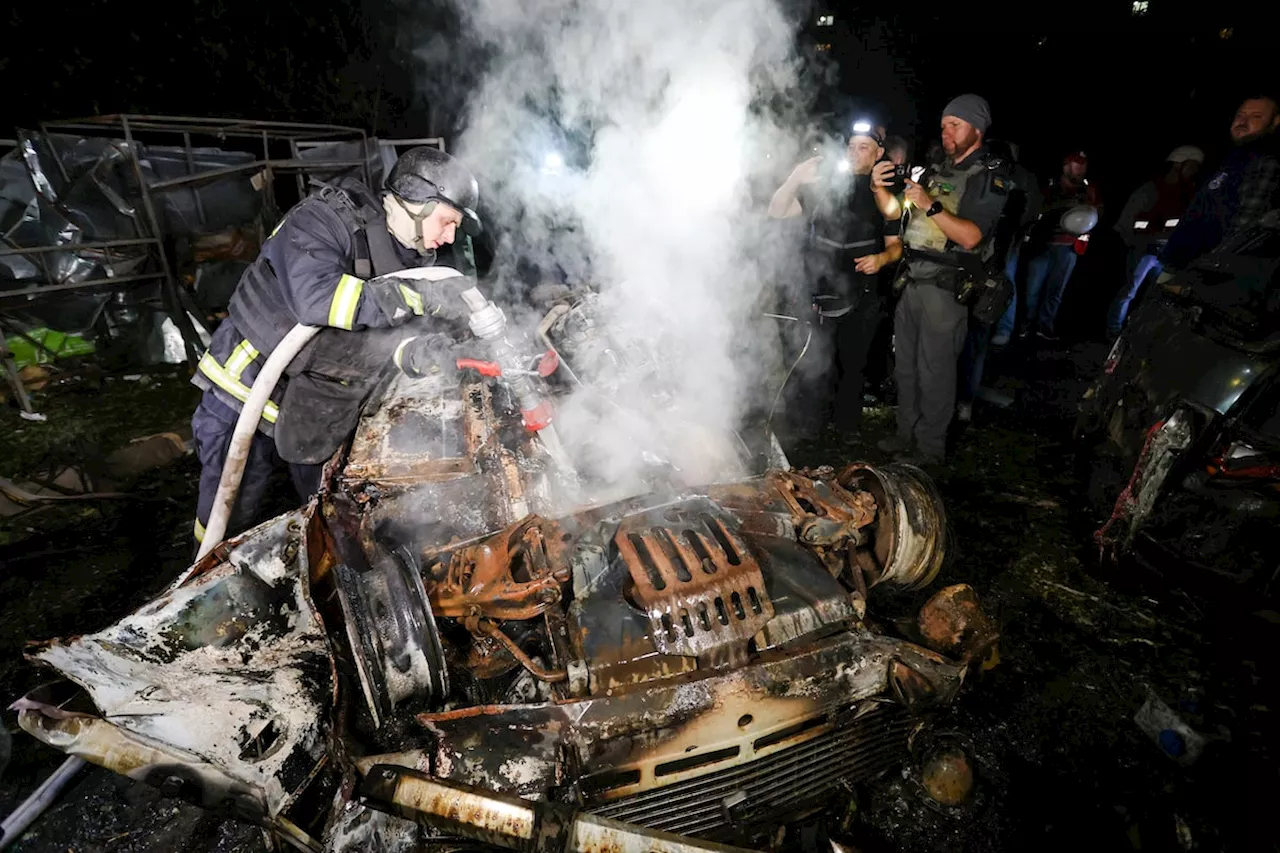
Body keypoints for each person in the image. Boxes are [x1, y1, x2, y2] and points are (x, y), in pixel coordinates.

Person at [191, 147, 482, 546]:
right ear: (417, 200)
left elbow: (384, 342)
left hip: (319, 405)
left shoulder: (410, 260)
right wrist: (411, 297)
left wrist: (423, 352)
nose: (450, 237)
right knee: (230, 513)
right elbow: (317, 300)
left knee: (327, 515)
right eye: (447, 221)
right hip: (246, 389)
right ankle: (204, 584)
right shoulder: (323, 219)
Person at [876, 94, 1010, 464]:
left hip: (947, 284)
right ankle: (906, 436)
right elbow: (900, 214)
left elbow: (970, 237)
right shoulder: (937, 167)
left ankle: (929, 449)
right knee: (905, 365)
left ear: (977, 128)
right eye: (943, 126)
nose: (946, 132)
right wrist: (881, 187)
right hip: (913, 277)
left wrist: (929, 204)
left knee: (936, 371)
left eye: (955, 125)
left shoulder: (989, 176)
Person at [768, 122, 903, 442]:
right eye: (851, 146)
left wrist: (880, 260)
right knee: (815, 362)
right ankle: (809, 423)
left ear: (879, 153)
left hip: (863, 292)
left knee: (853, 363)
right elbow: (776, 212)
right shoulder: (826, 187)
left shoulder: (883, 191)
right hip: (821, 291)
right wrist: (794, 179)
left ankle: (847, 425)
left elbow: (896, 246)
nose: (855, 153)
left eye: (864, 148)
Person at [957, 139, 1041, 421]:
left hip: (981, 276)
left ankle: (962, 400)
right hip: (987, 275)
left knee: (971, 340)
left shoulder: (995, 191)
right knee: (972, 341)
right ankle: (962, 401)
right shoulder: (1012, 193)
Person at [1159, 94, 1280, 275]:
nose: (1243, 121)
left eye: (1256, 117)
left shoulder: (1265, 162)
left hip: (1203, 276)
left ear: (1274, 122)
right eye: (1240, 115)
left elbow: (1246, 227)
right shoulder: (1231, 162)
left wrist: (1211, 267)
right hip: (1176, 265)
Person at [1105, 145, 1204, 339]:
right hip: (1145, 251)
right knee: (1129, 292)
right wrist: (1137, 242)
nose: (1194, 171)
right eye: (1192, 166)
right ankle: (1114, 332)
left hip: (1170, 254)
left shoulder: (1190, 192)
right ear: (1178, 165)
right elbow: (1127, 222)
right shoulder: (1151, 189)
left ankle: (1141, 332)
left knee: (1159, 296)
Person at [1021, 151, 1101, 340]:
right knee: (1032, 289)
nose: (1080, 169)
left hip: (1069, 248)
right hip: (1044, 244)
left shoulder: (1089, 189)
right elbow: (1034, 209)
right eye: (1076, 164)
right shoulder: (1051, 186)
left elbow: (1097, 211)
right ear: (1066, 166)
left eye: (1083, 165)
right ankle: (1026, 324)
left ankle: (1045, 326)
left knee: (1055, 290)